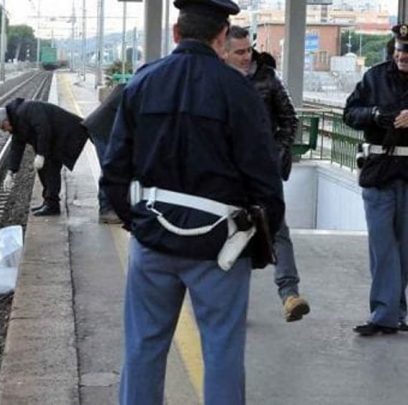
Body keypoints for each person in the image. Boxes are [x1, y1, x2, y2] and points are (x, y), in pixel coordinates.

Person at [100, 0, 285, 403]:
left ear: (175, 33)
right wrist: (258, 242)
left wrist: (140, 224)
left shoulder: (143, 82)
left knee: (143, 347)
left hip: (154, 240)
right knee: (221, 349)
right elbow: (265, 179)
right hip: (220, 246)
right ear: (222, 38)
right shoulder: (238, 91)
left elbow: (113, 170)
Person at [224, 25, 310, 322]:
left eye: (249, 49)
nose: (247, 56)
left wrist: (278, 152)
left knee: (277, 229)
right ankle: (235, 303)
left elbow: (289, 118)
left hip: (262, 171)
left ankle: (290, 294)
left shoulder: (268, 78)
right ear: (224, 51)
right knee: (233, 234)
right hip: (226, 173)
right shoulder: (216, 79)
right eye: (240, 52)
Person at [343, 23, 408, 336]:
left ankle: (397, 312)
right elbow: (350, 113)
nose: (402, 56)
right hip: (379, 169)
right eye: (399, 49)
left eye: (407, 52)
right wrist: (374, 114)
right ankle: (385, 314)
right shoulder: (374, 77)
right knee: (383, 246)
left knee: (405, 249)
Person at [0, 98, 89, 216]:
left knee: (51, 168)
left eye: (3, 127)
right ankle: (48, 202)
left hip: (65, 133)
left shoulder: (27, 109)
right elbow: (16, 148)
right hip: (53, 139)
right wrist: (11, 172)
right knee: (43, 169)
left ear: (6, 120)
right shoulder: (16, 123)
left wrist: (41, 154)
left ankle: (52, 205)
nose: (4, 130)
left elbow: (44, 130)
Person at [81, 84, 126, 224]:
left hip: (106, 128)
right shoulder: (141, 91)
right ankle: (106, 210)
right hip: (103, 129)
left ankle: (117, 207)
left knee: (117, 168)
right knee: (110, 169)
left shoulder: (137, 85)